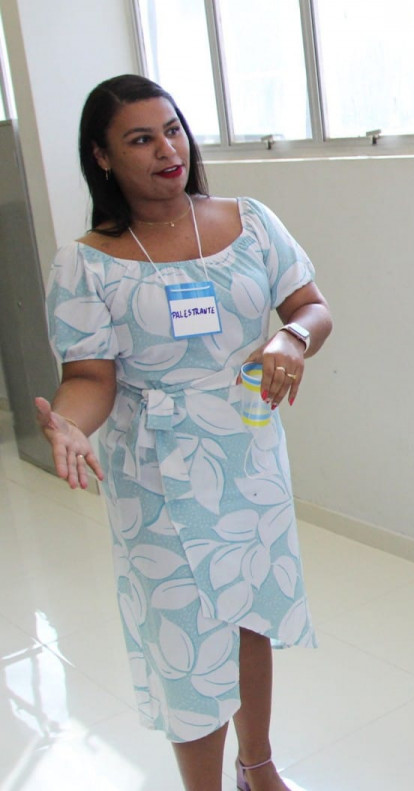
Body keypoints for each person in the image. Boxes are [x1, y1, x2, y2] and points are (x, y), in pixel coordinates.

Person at [34, 74, 332, 791]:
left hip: (247, 453)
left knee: (248, 613)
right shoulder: (86, 262)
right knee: (186, 643)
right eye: (141, 139)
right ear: (102, 157)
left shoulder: (250, 221)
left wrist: (291, 337)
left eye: (172, 130)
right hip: (157, 474)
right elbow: (91, 377)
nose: (168, 150)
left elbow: (311, 306)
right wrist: (69, 426)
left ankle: (257, 764)